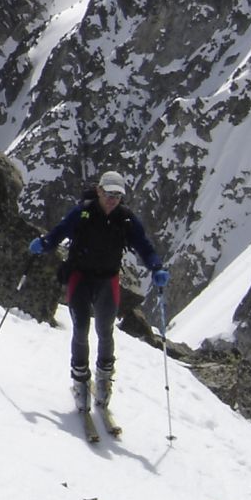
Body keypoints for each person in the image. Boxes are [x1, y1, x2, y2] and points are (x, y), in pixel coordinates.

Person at [28, 170, 168, 411]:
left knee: (105, 330)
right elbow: (61, 231)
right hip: (80, 276)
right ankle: (81, 380)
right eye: (109, 193)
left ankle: (104, 379)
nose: (113, 198)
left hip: (108, 280)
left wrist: (156, 267)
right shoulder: (82, 212)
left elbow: (144, 246)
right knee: (81, 329)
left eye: (118, 194)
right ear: (100, 191)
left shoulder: (125, 219)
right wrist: (46, 243)